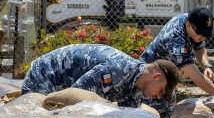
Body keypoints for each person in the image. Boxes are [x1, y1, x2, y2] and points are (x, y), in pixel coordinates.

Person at [139, 6, 214, 117]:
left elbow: (199, 47)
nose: (202, 37)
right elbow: (197, 78)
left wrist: (206, 65)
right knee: (155, 112)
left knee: (170, 107)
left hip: (166, 76)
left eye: (205, 34)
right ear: (189, 25)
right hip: (151, 79)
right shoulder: (177, 40)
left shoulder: (191, 21)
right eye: (200, 33)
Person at [22, 44, 179, 109]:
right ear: (156, 77)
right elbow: (73, 98)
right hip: (46, 75)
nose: (158, 96)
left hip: (61, 83)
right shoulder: (117, 69)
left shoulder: (136, 89)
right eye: (161, 91)